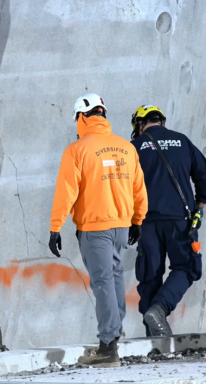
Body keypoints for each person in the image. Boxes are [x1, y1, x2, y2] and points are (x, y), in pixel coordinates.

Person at [48, 92, 148, 366]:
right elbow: (139, 189)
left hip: (95, 229)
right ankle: (112, 337)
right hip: (121, 227)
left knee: (103, 282)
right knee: (114, 278)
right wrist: (137, 221)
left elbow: (66, 192)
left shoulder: (77, 149)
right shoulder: (126, 148)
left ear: (82, 117)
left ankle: (107, 348)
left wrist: (55, 227)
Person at [129, 105, 206, 336]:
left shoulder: (134, 147)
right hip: (181, 220)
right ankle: (159, 309)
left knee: (149, 276)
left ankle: (153, 338)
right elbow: (205, 174)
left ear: (139, 124)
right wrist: (200, 206)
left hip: (146, 223)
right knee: (187, 267)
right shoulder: (182, 141)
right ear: (162, 121)